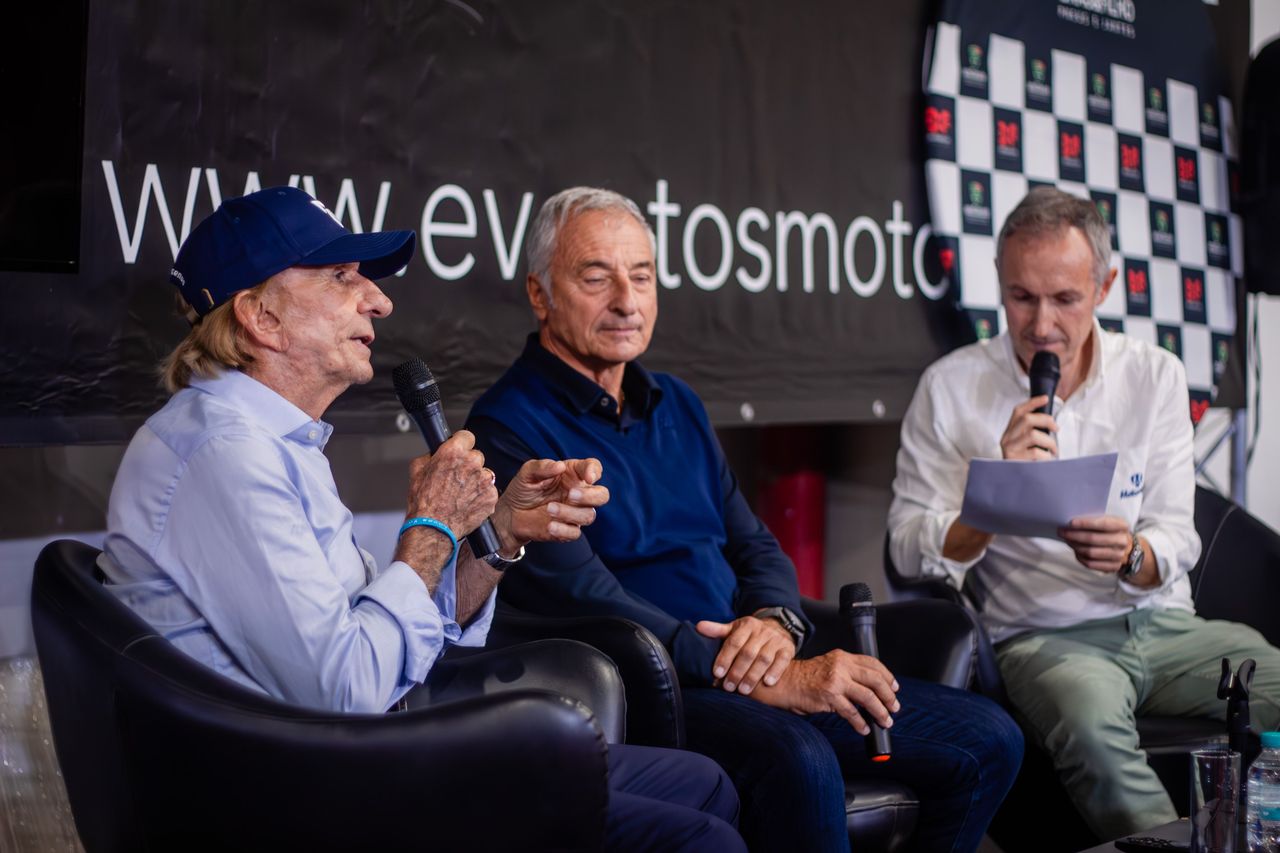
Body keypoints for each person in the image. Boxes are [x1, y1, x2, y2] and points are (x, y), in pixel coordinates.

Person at [100, 186, 746, 852]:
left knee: (702, 783)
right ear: (262, 316)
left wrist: (498, 534)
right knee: (699, 836)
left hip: (358, 751)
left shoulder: (275, 441)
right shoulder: (224, 454)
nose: (378, 301)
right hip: (311, 791)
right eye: (342, 277)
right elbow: (348, 691)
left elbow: (399, 635)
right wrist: (431, 527)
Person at [466, 186, 1023, 853]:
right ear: (540, 294)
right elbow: (584, 597)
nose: (627, 301)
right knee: (799, 759)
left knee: (991, 737)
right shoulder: (507, 427)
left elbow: (755, 543)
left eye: (641, 276)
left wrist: (775, 622)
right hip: (656, 686)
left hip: (744, 658)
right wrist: (768, 675)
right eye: (596, 278)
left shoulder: (678, 402)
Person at [888, 186, 1280, 839]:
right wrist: (996, 494)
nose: (1041, 324)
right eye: (1021, 296)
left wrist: (1131, 553)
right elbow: (904, 547)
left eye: (1065, 298)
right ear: (999, 282)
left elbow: (1177, 534)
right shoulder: (950, 387)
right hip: (1044, 635)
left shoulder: (1153, 374)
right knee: (1093, 731)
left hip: (1163, 623)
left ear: (1104, 287)